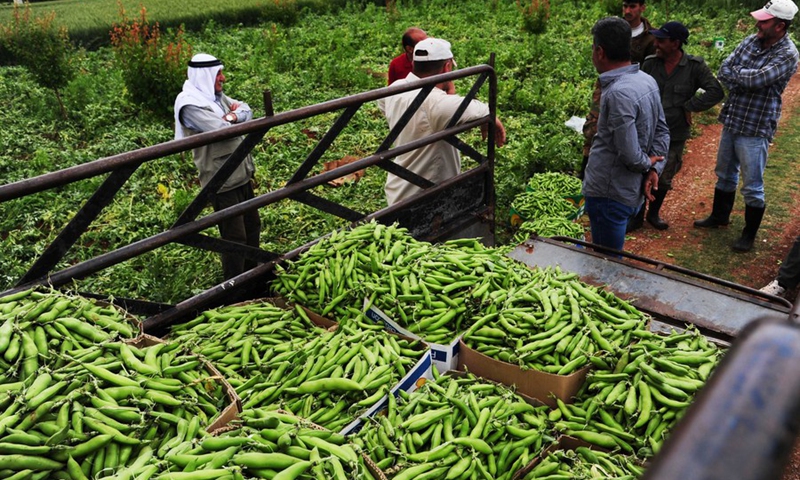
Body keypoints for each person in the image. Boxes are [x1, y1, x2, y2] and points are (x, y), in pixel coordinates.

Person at [694, 0, 799, 252]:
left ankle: (748, 235)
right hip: (735, 116)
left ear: (779, 25)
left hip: (757, 123)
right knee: (725, 171)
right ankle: (720, 216)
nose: (758, 24)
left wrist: (741, 76)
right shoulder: (753, 40)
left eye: (764, 21)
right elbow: (725, 69)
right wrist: (745, 76)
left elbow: (756, 79)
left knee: (752, 183)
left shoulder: (788, 53)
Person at [378, 38, 507, 206]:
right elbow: (478, 109)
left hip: (398, 190)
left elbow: (383, 105)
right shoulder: (436, 104)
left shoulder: (396, 88)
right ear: (447, 67)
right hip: (427, 197)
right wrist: (492, 118)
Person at [582, 17, 670, 252]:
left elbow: (630, 155)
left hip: (609, 193)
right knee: (611, 251)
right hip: (629, 191)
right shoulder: (646, 80)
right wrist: (654, 169)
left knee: (605, 260)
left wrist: (646, 163)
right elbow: (663, 131)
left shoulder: (617, 93)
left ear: (599, 51)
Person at [174, 53, 261, 280]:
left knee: (253, 226)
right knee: (235, 237)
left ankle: (254, 276)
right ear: (204, 76)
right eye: (218, 74)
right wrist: (232, 117)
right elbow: (219, 129)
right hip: (221, 179)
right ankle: (234, 285)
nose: (222, 78)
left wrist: (232, 116)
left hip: (240, 171)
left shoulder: (213, 97)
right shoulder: (190, 105)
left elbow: (246, 109)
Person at [631, 21, 724, 230]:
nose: (656, 43)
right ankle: (636, 216)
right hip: (647, 130)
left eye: (662, 41)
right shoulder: (650, 64)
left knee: (665, 173)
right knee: (640, 170)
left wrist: (689, 106)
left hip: (674, 131)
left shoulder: (694, 67)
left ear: (676, 43)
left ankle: (653, 214)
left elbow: (715, 91)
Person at [580, 0, 656, 180]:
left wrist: (645, 163)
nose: (627, 10)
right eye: (625, 6)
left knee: (618, 139)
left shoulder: (650, 39)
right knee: (599, 135)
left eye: (632, 6)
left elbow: (630, 154)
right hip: (615, 89)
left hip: (630, 95)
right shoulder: (614, 29)